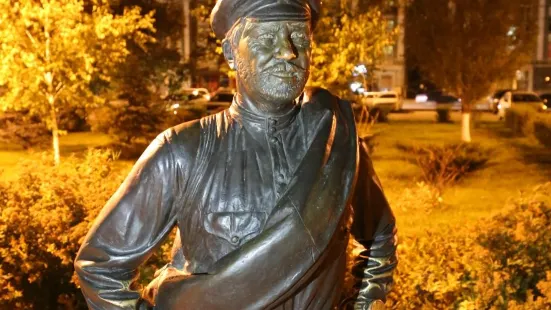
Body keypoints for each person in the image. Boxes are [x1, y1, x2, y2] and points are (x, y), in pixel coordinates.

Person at [74, 0, 397, 309]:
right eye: (266, 38)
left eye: (299, 37)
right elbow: (100, 264)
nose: (288, 51)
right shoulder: (182, 150)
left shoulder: (335, 137)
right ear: (231, 53)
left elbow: (380, 234)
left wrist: (365, 300)